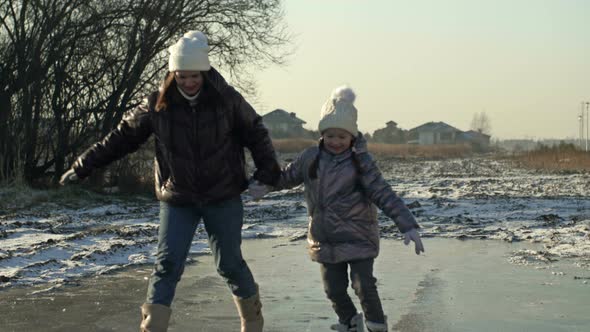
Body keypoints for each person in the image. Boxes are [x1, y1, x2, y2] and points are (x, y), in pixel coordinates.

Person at [59, 31, 281, 332]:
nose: (188, 82)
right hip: (178, 197)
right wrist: (83, 165)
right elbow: (122, 138)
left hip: (223, 195)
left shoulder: (227, 99)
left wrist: (267, 176)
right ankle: (153, 327)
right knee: (167, 265)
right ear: (172, 73)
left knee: (229, 264)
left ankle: (252, 322)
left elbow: (256, 132)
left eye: (194, 76)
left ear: (204, 71)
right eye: (181, 76)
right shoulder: (156, 104)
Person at [248, 86, 424, 332]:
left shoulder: (360, 162)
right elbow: (287, 177)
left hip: (359, 237)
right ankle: (350, 322)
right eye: (330, 136)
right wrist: (265, 185)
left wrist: (407, 224)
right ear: (322, 135)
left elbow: (383, 193)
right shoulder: (311, 157)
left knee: (364, 285)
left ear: (352, 136)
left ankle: (376, 325)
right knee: (333, 288)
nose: (336, 142)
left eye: (342, 136)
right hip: (324, 238)